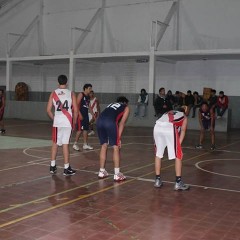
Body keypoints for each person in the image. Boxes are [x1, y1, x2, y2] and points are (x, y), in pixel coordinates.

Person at [46, 75, 78, 176]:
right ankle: (66, 168)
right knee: (65, 144)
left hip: (58, 122)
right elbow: (76, 111)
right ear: (67, 82)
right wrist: (74, 122)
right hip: (68, 122)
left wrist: (54, 118)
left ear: (58, 82)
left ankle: (52, 166)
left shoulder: (53, 93)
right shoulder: (71, 93)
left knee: (55, 143)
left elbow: (48, 110)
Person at [153, 106, 190, 191]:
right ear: (184, 111)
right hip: (169, 126)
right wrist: (178, 146)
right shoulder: (184, 116)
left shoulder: (168, 112)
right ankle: (178, 182)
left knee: (158, 154)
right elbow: (183, 131)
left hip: (157, 126)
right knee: (178, 155)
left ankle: (157, 180)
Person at [96, 96, 130, 182]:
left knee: (104, 145)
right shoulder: (126, 107)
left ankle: (101, 171)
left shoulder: (111, 104)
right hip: (109, 122)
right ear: (125, 103)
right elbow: (121, 123)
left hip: (99, 121)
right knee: (115, 147)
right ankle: (117, 174)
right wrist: (119, 138)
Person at [73, 83, 94, 151]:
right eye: (89, 88)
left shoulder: (88, 96)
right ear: (85, 88)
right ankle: (75, 144)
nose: (90, 90)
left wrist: (93, 114)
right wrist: (79, 114)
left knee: (85, 129)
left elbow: (89, 106)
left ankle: (85, 144)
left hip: (86, 115)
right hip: (80, 115)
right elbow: (76, 105)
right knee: (80, 130)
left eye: (91, 89)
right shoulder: (81, 94)